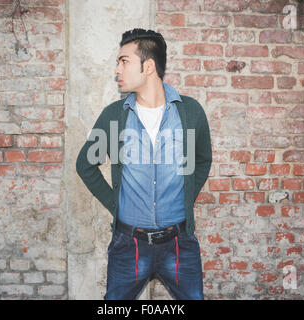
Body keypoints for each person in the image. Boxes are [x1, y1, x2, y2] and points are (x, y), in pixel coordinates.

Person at [76, 28, 212, 300]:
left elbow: (202, 159)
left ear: (148, 66)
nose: (117, 69)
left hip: (179, 243)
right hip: (128, 245)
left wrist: (187, 197)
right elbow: (85, 165)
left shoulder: (191, 112)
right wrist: (116, 202)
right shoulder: (114, 117)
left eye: (124, 61)